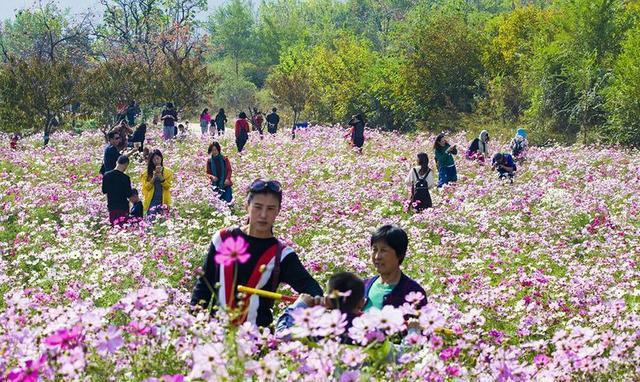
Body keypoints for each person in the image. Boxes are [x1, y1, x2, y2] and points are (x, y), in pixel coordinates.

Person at [190, 178, 324, 327]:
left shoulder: (283, 255)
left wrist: (316, 298)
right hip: (216, 335)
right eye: (258, 207)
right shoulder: (222, 238)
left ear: (278, 211)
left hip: (257, 339)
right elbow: (204, 284)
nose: (263, 215)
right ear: (247, 206)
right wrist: (193, 322)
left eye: (271, 209)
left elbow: (310, 287)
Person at [276, 272, 365, 343]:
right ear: (362, 302)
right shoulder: (369, 326)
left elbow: (282, 336)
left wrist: (300, 304)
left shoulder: (319, 327)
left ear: (327, 299)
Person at [363, 225, 427, 312]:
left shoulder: (413, 292)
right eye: (374, 250)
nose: (377, 256)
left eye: (383, 250)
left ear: (400, 254)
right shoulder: (363, 286)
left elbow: (421, 324)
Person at [140, 149, 174, 216]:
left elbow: (167, 187)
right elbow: (146, 188)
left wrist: (161, 176)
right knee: (151, 221)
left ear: (161, 158)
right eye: (154, 159)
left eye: (157, 158)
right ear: (151, 160)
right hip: (151, 201)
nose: (156, 161)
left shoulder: (168, 172)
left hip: (164, 200)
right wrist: (154, 177)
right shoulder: (145, 173)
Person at [101, 155, 133, 225]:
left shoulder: (106, 175)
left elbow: (104, 191)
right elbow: (129, 194)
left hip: (112, 206)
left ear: (116, 162)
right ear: (126, 164)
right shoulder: (126, 178)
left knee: (114, 228)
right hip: (123, 207)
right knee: (123, 228)